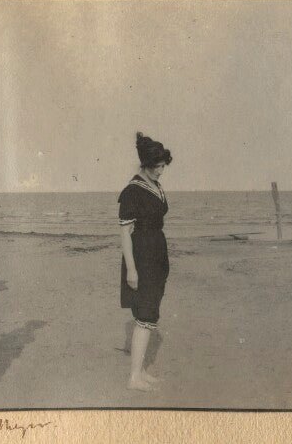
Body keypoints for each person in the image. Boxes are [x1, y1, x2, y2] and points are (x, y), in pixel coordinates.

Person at [118, 132, 172, 391]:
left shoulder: (155, 186)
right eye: (157, 167)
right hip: (141, 256)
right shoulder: (132, 191)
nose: (161, 171)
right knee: (145, 315)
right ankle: (133, 378)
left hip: (156, 253)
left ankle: (139, 372)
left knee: (150, 313)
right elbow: (125, 234)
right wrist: (131, 269)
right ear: (145, 164)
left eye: (163, 166)